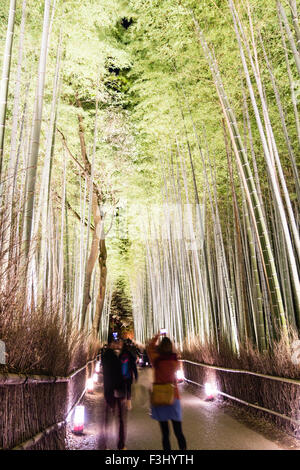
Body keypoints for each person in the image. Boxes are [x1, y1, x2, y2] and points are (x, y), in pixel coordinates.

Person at [147, 332, 187, 451]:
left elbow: (149, 347)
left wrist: (157, 335)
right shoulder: (175, 361)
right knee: (178, 432)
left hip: (160, 397)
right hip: (173, 397)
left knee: (165, 434)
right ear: (170, 348)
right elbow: (173, 353)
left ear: (160, 348)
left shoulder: (156, 360)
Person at [101, 335, 127, 450]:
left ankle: (104, 444)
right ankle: (120, 445)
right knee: (120, 419)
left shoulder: (105, 356)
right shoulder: (113, 357)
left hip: (108, 390)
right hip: (116, 390)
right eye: (116, 343)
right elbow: (119, 374)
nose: (118, 345)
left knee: (107, 418)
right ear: (111, 344)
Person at [120, 340, 138, 410]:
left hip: (121, 376)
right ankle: (129, 404)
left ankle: (123, 402)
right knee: (128, 389)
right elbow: (134, 367)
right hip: (129, 375)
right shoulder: (130, 356)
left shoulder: (120, 355)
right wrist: (136, 376)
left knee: (123, 388)